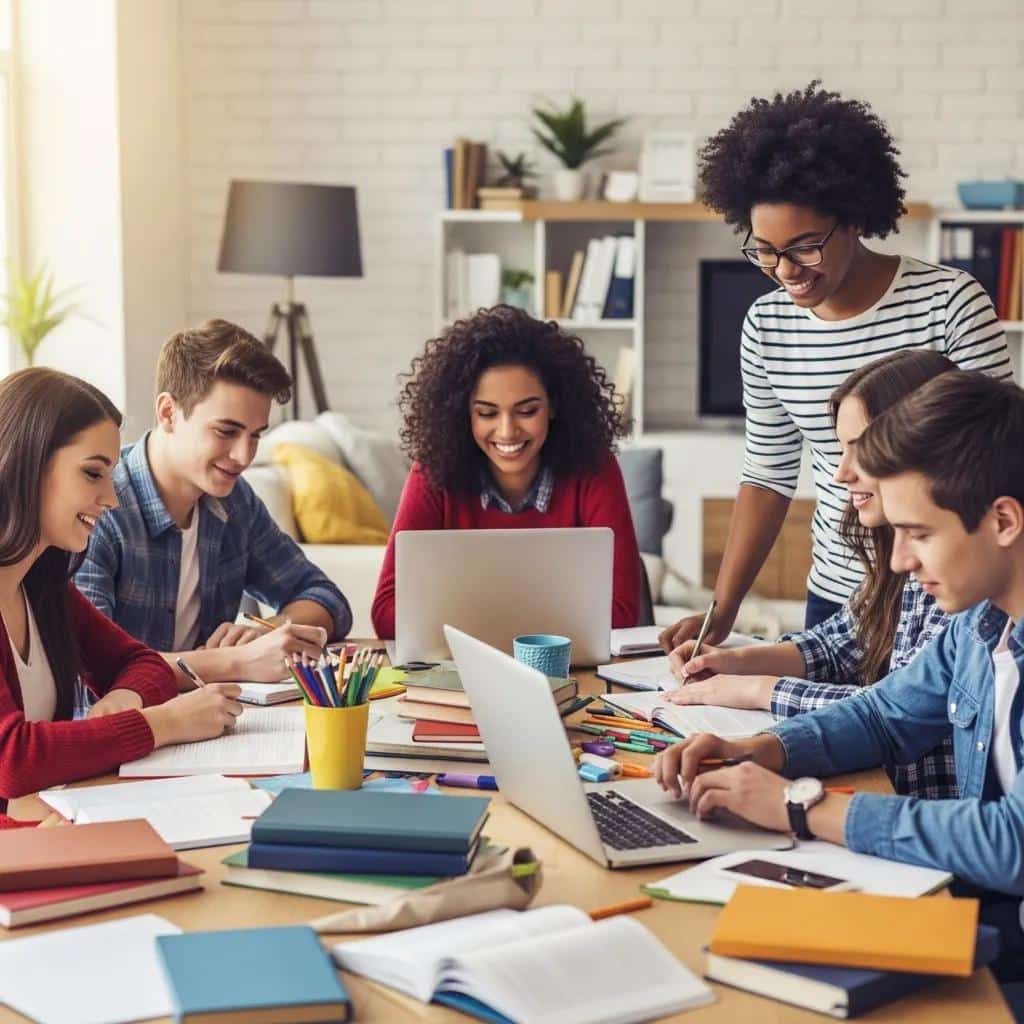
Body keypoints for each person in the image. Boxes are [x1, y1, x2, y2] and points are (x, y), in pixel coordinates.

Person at [654, 371, 1024, 1001]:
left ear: (1004, 521)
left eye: (920, 534)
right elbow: (884, 716)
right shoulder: (980, 625)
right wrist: (760, 750)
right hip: (980, 923)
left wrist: (799, 804)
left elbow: (1011, 844)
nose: (901, 561)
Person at [660, 81, 1009, 651]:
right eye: (766, 252)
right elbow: (768, 475)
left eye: (803, 247)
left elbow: (999, 452)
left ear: (853, 220)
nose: (785, 270)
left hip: (943, 590)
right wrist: (721, 610)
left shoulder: (948, 302)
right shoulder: (766, 325)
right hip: (838, 595)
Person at [665, 350, 958, 797]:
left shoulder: (960, 578)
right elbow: (844, 640)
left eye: (860, 450)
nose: (840, 474)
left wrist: (756, 691)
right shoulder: (905, 556)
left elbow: (893, 714)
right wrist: (730, 663)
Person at [0, 368, 244, 828]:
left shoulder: (43, 588)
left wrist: (122, 703)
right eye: (92, 472)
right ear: (27, 463)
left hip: (42, 826)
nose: (111, 497)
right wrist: (165, 723)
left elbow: (145, 664)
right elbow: (13, 758)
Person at [76, 320, 352, 689]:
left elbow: (325, 597)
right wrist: (233, 662)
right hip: (133, 732)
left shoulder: (235, 504)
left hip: (212, 724)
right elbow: (93, 669)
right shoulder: (101, 509)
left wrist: (269, 636)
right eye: (226, 431)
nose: (243, 456)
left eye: (255, 436)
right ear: (168, 413)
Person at [371, 305, 641, 638]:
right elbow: (386, 611)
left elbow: (623, 611)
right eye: (486, 413)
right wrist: (539, 623)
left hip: (565, 671)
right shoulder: (434, 472)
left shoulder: (593, 468)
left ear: (554, 405)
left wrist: (470, 621)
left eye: (526, 411)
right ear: (463, 413)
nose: (507, 431)